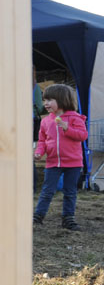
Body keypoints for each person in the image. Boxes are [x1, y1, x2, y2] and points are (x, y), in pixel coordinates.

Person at [33, 84, 87, 230]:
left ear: (62, 100)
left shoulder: (75, 118)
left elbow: (82, 136)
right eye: (45, 100)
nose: (46, 103)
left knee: (70, 192)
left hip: (73, 163)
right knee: (47, 191)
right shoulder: (45, 121)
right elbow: (43, 140)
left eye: (50, 100)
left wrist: (67, 128)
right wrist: (39, 152)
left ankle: (68, 218)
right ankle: (38, 216)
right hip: (52, 163)